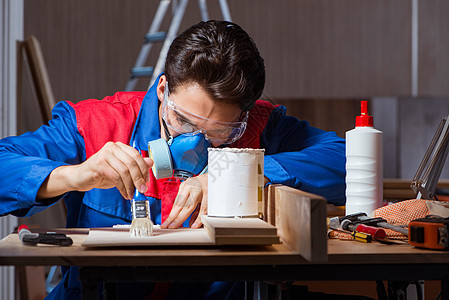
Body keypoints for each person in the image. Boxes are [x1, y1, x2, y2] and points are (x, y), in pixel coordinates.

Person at [0, 20, 345, 299]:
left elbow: (344, 159)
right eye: (184, 122)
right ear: (163, 90)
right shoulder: (97, 123)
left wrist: (244, 173)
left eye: (219, 132)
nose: (195, 143)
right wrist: (73, 175)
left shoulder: (262, 126)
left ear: (243, 117)